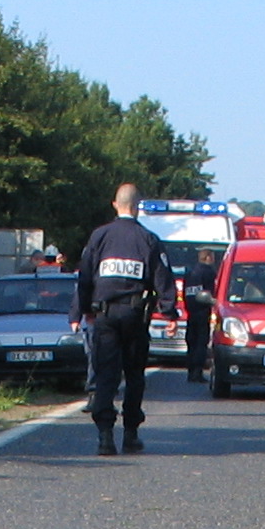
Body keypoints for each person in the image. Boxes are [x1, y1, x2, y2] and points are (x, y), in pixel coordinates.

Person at [72, 184, 171, 455]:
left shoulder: (100, 236)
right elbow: (162, 278)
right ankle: (130, 434)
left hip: (104, 316)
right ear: (137, 206)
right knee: (134, 375)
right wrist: (170, 310)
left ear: (115, 204)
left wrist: (77, 311)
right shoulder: (148, 239)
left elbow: (85, 277)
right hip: (135, 316)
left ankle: (105, 436)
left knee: (106, 375)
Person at [176, 246, 217, 383]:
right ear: (208, 258)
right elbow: (211, 293)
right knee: (201, 342)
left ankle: (190, 371)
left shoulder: (190, 273)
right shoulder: (208, 272)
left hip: (191, 312)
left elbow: (186, 292)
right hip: (202, 312)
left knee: (191, 342)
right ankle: (197, 372)